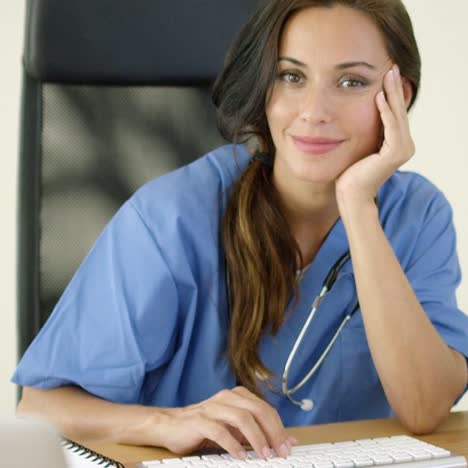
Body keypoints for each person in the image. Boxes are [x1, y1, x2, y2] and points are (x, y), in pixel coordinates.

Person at [13, 0, 468, 461]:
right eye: (291, 76)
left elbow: (425, 408)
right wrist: (166, 423)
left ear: (399, 95)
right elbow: (39, 407)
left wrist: (358, 206)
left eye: (351, 82)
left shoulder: (416, 214)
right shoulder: (171, 218)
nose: (314, 111)